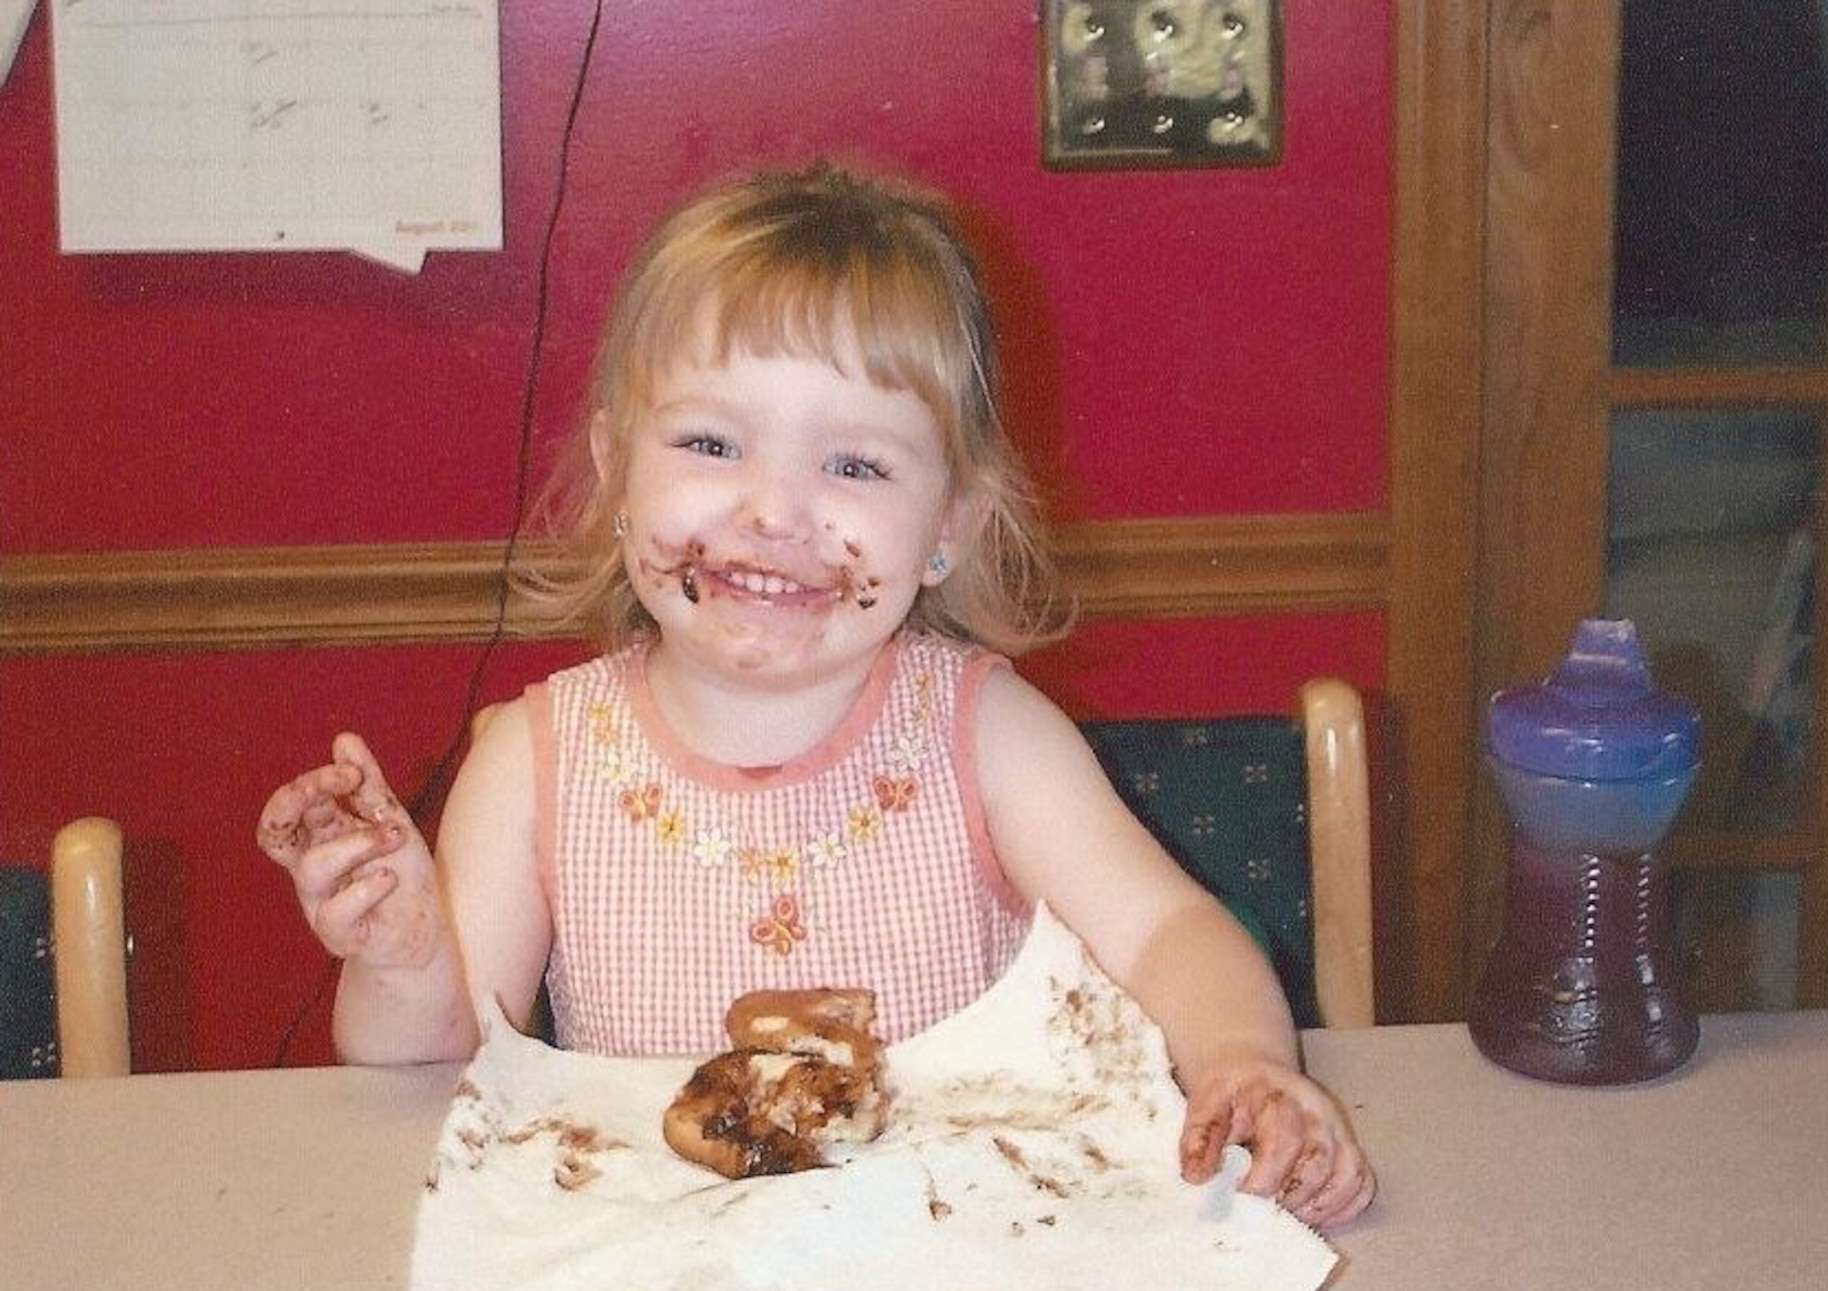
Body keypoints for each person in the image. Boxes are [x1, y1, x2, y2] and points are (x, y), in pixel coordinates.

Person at [257, 162, 1374, 1232]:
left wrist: (1240, 1058)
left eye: (854, 466)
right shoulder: (533, 759)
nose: (773, 512)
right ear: (616, 471)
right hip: (645, 1249)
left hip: (957, 1242)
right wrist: (401, 959)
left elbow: (1174, 930)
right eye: (709, 442)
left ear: (948, 528)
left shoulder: (984, 735)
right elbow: (435, 1070)